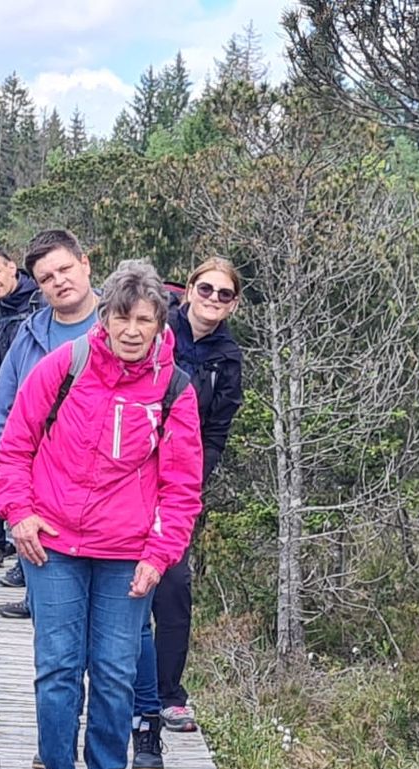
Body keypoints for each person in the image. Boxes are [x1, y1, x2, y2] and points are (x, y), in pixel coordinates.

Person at [0, 258, 203, 769]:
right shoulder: (65, 366)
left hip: (127, 551)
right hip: (53, 543)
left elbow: (182, 487)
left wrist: (158, 556)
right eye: (121, 316)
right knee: (58, 668)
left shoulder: (174, 388)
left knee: (112, 673)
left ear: (162, 323)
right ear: (104, 317)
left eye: (145, 319)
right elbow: (14, 448)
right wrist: (21, 515)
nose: (132, 330)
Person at [136, 257, 246, 738]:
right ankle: (117, 686)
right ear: (189, 289)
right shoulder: (159, 331)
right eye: (207, 289)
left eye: (224, 294)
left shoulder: (230, 358)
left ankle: (167, 694)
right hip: (131, 470)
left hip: (180, 484)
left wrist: (194, 478)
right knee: (122, 578)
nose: (213, 300)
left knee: (175, 585)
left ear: (234, 304)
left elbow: (218, 429)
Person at [0, 233, 91, 620]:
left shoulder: (125, 328)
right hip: (42, 505)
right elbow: (1, 418)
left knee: (119, 650)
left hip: (112, 512)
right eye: (46, 278)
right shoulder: (29, 338)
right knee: (55, 642)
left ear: (86, 264)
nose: (58, 281)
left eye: (65, 269)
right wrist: (18, 502)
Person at [0, 247, 44, 575]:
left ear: (12, 268)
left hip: (48, 412)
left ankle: (30, 565)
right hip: (13, 412)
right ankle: (8, 551)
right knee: (7, 480)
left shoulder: (40, 302)